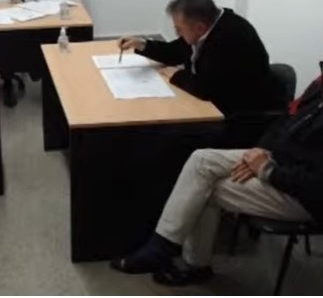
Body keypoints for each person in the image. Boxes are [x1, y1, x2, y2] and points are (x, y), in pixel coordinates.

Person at [110, 71, 323, 286]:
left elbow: (315, 186)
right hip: (279, 160)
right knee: (201, 160)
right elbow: (286, 118)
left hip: (303, 196)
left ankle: (190, 263)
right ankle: (163, 246)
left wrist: (266, 170)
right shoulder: (319, 82)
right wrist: (261, 149)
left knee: (203, 189)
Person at [119, 0, 283, 116]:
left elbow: (206, 89)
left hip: (241, 115)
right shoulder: (209, 24)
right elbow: (175, 51)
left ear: (199, 27)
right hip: (219, 103)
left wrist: (176, 74)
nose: (177, 33)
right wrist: (142, 44)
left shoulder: (229, 38)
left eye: (179, 29)